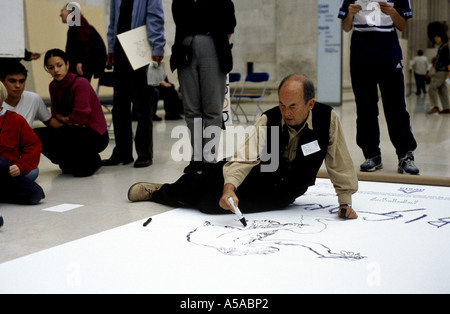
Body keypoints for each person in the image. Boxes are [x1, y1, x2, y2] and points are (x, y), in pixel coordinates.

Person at [127, 74, 359, 220]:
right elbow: (245, 158)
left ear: (310, 103)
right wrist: (230, 187)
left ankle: (190, 190)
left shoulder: (327, 119)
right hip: (259, 175)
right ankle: (159, 191)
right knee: (208, 179)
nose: (286, 112)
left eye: (293, 106)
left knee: (210, 205)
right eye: (281, 104)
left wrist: (345, 202)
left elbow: (339, 162)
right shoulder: (269, 119)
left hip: (281, 194)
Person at [338, 0, 419, 175]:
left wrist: (393, 13)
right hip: (361, 57)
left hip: (389, 56)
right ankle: (372, 154)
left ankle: (405, 154)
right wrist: (350, 14)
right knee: (365, 109)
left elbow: (402, 26)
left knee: (396, 108)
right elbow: (346, 27)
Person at [170, 0, 237, 173]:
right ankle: (197, 157)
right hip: (185, 49)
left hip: (213, 46)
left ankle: (210, 158)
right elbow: (178, 21)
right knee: (191, 110)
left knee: (212, 109)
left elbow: (229, 26)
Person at [102, 0, 166, 168]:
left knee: (143, 106)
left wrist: (157, 47)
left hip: (141, 49)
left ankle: (144, 153)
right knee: (120, 106)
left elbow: (155, 19)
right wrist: (110, 47)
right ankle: (122, 152)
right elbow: (113, 20)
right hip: (120, 48)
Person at [34, 49, 109, 177]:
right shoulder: (53, 86)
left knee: (66, 132)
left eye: (59, 65)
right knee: (37, 134)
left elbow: (80, 117)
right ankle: (67, 161)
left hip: (95, 135)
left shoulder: (80, 83)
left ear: (67, 65)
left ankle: (92, 161)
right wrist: (65, 119)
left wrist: (62, 118)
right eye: (51, 67)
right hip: (72, 130)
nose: (56, 70)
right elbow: (55, 112)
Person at [0, 61, 62, 180]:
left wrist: (74, 128)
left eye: (22, 81)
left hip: (19, 159)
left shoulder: (33, 99)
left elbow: (50, 122)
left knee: (32, 172)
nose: (18, 86)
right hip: (3, 156)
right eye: (12, 81)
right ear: (2, 82)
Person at [0, 81, 45, 205]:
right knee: (2, 163)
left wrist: (20, 166)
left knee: (35, 193)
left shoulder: (16, 120)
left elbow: (33, 146)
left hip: (7, 174)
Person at [60, 2, 105, 82]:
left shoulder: (78, 22)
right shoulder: (76, 24)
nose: (60, 14)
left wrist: (80, 61)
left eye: (62, 10)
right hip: (79, 65)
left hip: (81, 66)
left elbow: (83, 42)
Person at [427, 24, 450, 114]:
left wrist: (449, 71)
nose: (435, 39)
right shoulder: (441, 47)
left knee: (431, 88)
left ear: (442, 37)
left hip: (442, 71)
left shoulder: (445, 47)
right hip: (440, 70)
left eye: (437, 37)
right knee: (442, 89)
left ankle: (435, 106)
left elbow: (448, 60)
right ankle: (447, 107)